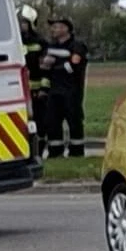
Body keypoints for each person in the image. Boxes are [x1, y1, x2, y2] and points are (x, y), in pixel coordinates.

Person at [29, 15, 90, 158]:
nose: (53, 30)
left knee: (74, 122)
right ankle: (55, 152)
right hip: (53, 91)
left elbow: (73, 66)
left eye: (56, 26)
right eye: (52, 27)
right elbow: (43, 64)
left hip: (72, 92)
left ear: (66, 28)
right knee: (52, 122)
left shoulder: (77, 46)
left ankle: (76, 152)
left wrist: (55, 65)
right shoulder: (51, 46)